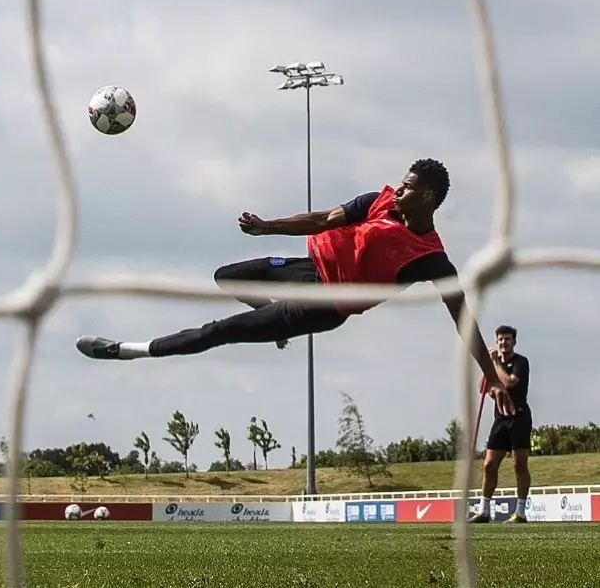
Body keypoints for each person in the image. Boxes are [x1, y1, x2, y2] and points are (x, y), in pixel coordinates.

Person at [76, 158, 514, 414]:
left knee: (218, 332)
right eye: (402, 181)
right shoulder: (378, 202)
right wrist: (267, 227)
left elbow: (461, 315)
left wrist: (490, 372)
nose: (400, 188)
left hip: (323, 306)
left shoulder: (431, 258)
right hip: (307, 270)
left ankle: (126, 349)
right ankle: (273, 322)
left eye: (409, 187)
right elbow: (324, 219)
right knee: (228, 276)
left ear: (429, 199)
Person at [468, 324, 531, 523]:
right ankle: (484, 511)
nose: (503, 343)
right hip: (500, 420)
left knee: (519, 465)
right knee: (488, 465)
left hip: (519, 418)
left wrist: (494, 363)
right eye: (500, 339)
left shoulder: (521, 362)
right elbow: (482, 389)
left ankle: (520, 513)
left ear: (514, 342)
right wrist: (486, 367)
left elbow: (510, 382)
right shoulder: (493, 364)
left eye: (507, 339)